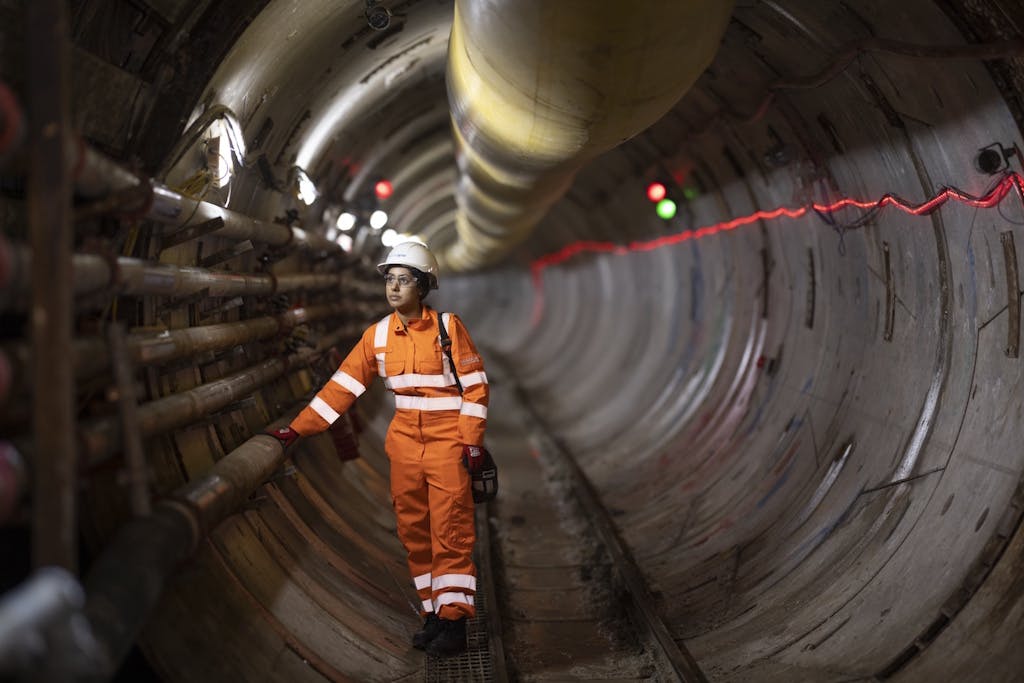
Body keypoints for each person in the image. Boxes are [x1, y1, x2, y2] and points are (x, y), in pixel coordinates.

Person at [267, 241, 489, 658]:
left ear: (422, 286)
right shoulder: (379, 335)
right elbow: (342, 388)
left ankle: (455, 620)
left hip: (446, 445)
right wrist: (298, 430)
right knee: (414, 532)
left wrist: (472, 442)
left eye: (404, 280)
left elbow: (476, 386)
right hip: (404, 446)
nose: (394, 288)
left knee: (450, 530)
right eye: (390, 280)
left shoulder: (448, 328)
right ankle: (433, 614)